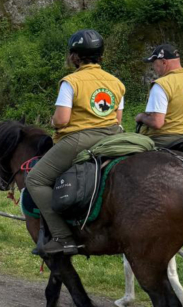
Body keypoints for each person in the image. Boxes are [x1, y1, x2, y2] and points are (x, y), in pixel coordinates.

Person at [27, 29, 125, 256]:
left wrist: (53, 120)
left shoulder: (71, 82)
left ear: (75, 57)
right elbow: (117, 119)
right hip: (113, 136)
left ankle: (63, 237)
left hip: (81, 139)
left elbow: (62, 120)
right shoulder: (117, 83)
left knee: (36, 179)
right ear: (100, 55)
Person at [135, 44, 183, 148]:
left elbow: (157, 122)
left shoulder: (163, 84)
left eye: (154, 63)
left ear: (164, 62)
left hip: (166, 139)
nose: (153, 67)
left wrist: (141, 117)